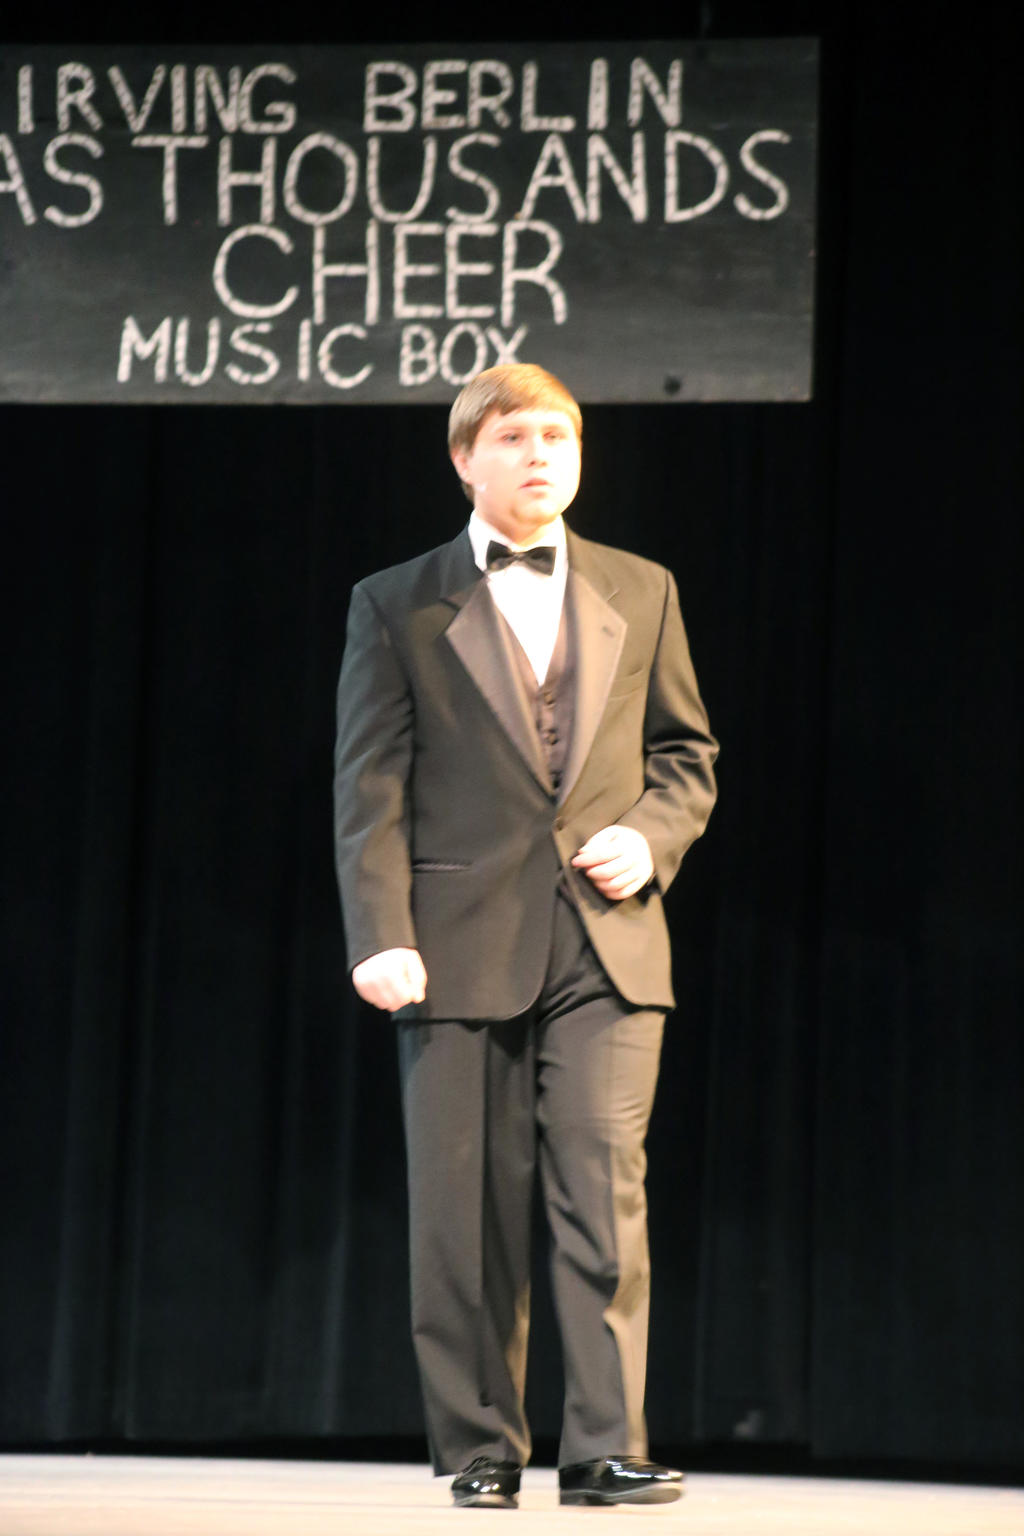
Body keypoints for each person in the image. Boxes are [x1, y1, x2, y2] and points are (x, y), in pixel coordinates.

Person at [333, 364, 718, 1509]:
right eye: (513, 437)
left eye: (558, 436)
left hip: (607, 942)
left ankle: (602, 1447)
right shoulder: (396, 601)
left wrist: (650, 836)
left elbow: (685, 754)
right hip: (454, 940)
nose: (540, 454)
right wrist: (379, 931)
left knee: (603, 1191)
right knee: (465, 1212)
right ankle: (481, 1448)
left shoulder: (641, 587)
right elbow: (369, 785)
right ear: (465, 459)